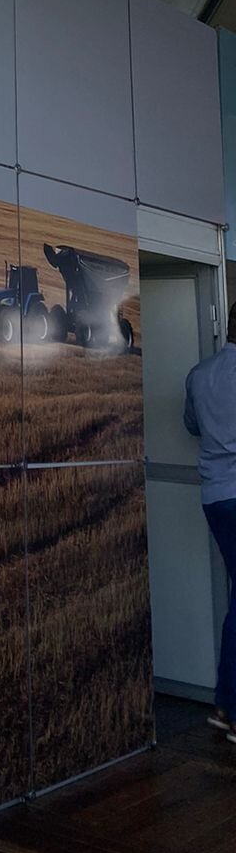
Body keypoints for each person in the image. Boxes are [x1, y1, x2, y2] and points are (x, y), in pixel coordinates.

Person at [184, 302, 236, 740]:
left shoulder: (199, 374)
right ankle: (230, 707)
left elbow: (192, 425)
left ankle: (226, 704)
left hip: (216, 496)